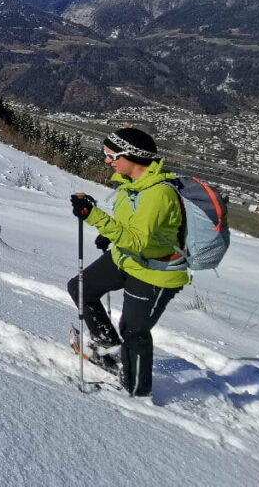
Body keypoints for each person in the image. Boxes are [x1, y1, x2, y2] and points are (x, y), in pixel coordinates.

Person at [67, 127, 188, 397]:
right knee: (81, 288)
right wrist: (106, 234)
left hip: (156, 272)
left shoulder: (159, 194)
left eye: (112, 155)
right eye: (106, 154)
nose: (107, 161)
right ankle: (109, 349)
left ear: (132, 156)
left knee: (134, 332)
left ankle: (137, 392)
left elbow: (139, 241)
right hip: (127, 257)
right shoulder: (131, 185)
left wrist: (94, 217)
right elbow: (130, 227)